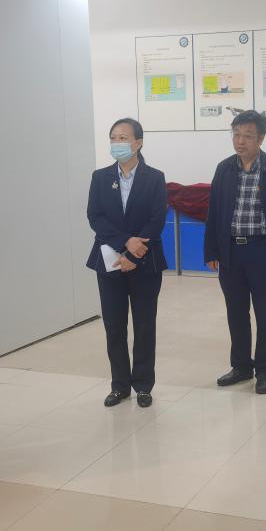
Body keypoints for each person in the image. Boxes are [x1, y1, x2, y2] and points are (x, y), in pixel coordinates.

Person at [205, 110, 266, 394]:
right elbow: (214, 212)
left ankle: (265, 371)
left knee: (265, 314)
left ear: (261, 138)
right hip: (231, 252)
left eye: (247, 136)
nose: (240, 141)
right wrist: (212, 251)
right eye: (236, 135)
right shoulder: (224, 168)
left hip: (261, 252)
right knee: (236, 312)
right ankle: (241, 367)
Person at [86, 118, 167, 408]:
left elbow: (157, 220)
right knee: (114, 326)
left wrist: (133, 255)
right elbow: (95, 216)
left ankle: (143, 385)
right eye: (113, 138)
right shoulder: (100, 177)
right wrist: (124, 244)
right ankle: (119, 385)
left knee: (144, 325)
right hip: (109, 261)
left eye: (123, 138)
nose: (117, 143)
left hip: (145, 263)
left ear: (138, 143)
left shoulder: (154, 178)